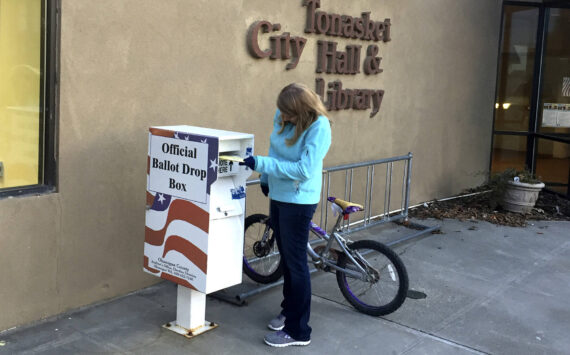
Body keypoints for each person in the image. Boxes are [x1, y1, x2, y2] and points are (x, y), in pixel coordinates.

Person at [240, 83, 332, 347]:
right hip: (280, 196)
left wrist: (261, 165)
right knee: (287, 260)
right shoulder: (283, 116)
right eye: (280, 111)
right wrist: (266, 177)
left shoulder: (319, 127)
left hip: (299, 201)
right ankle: (288, 310)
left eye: (288, 113)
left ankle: (298, 331)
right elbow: (275, 150)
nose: (282, 117)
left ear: (301, 111)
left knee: (296, 264)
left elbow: (304, 170)